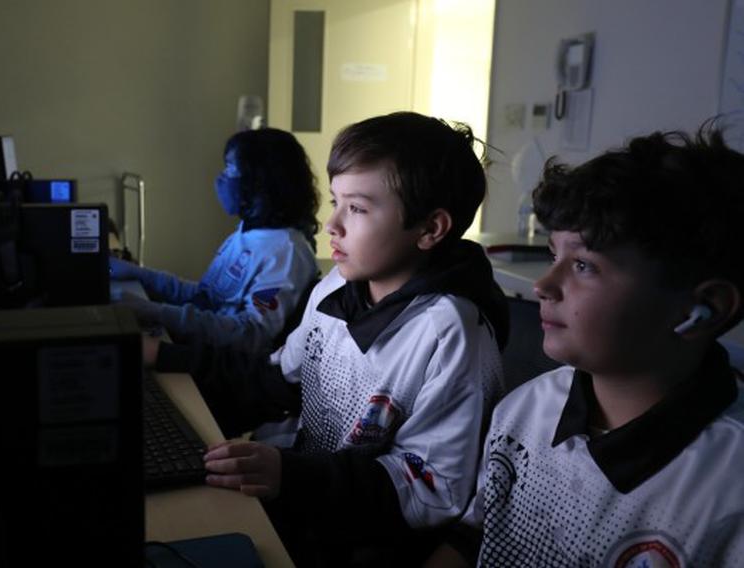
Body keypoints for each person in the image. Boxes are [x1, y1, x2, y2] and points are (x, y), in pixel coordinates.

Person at [148, 112, 509, 565]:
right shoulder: (336, 287)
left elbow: (433, 487)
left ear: (430, 228)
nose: (330, 224)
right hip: (310, 501)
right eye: (335, 201)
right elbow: (278, 379)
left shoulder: (451, 332)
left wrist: (291, 476)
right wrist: (164, 360)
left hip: (367, 540)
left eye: (357, 208)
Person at [428, 125, 744, 567]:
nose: (543, 285)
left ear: (704, 309)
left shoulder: (730, 483)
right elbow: (476, 532)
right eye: (555, 255)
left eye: (583, 265)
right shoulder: (524, 410)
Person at [110, 128, 320, 353]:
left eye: (230, 168)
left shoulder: (287, 252)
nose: (222, 178)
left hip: (222, 372)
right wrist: (139, 275)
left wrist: (153, 311)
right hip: (202, 351)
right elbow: (206, 298)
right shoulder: (248, 233)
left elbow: (250, 335)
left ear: (260, 180)